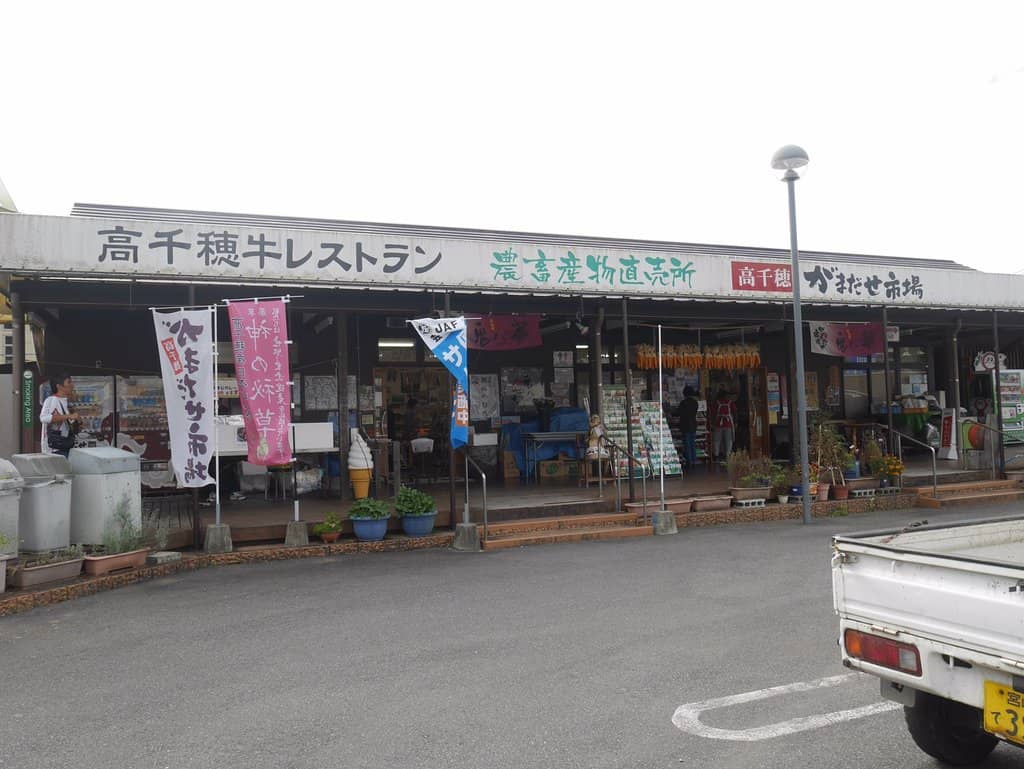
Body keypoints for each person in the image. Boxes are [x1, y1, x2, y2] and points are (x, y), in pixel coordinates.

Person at [40, 372, 80, 457]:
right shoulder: (51, 400)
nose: (72, 385)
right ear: (59, 386)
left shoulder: (67, 402)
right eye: (69, 382)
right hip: (54, 450)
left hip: (65, 446)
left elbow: (69, 426)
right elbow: (44, 417)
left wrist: (78, 423)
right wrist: (69, 416)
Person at [711, 388, 736, 462]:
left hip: (718, 424)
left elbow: (713, 414)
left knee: (717, 440)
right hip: (728, 424)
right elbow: (735, 412)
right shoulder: (730, 402)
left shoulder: (716, 403)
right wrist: (735, 422)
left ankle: (716, 455)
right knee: (729, 440)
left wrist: (712, 423)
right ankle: (728, 455)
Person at [677, 386, 699, 468]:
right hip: (693, 425)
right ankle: (694, 460)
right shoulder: (695, 402)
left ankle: (689, 461)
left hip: (685, 425)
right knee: (692, 443)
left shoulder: (683, 403)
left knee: (687, 444)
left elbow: (678, 412)